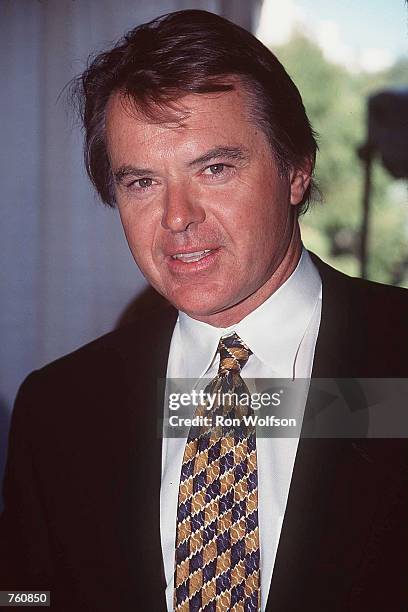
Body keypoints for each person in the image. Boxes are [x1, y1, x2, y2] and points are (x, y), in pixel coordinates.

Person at [1, 9, 407, 612]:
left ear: (296, 169)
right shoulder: (58, 407)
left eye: (214, 169)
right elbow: (25, 597)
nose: (176, 217)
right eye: (142, 182)